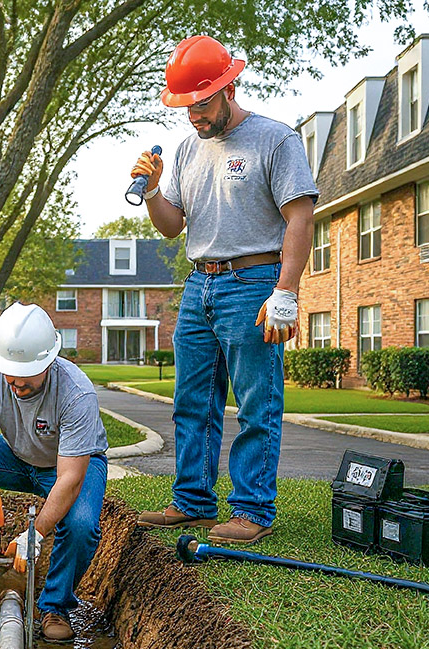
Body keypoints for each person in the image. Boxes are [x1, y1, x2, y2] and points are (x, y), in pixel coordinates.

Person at [130, 35, 318, 544]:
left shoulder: (274, 140)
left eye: (203, 102)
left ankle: (253, 509)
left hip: (255, 283)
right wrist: (151, 190)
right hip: (199, 286)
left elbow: (300, 219)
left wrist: (286, 290)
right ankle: (191, 501)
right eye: (187, 106)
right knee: (192, 402)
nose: (195, 115)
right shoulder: (188, 150)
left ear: (229, 87)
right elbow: (171, 226)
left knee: (257, 402)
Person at [0, 302, 108, 642]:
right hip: (15, 456)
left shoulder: (76, 393)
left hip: (69, 464)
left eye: (24, 373)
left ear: (47, 361)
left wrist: (36, 534)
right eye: (7, 371)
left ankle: (54, 605)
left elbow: (70, 478)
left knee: (81, 525)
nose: (13, 381)